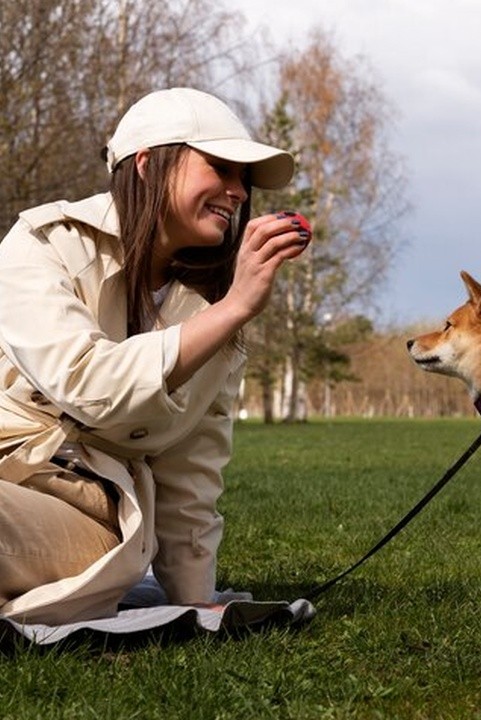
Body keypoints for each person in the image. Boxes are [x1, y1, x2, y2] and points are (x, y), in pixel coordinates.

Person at [0, 87, 310, 624]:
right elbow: (85, 379)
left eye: (245, 179)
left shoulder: (216, 311)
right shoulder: (43, 244)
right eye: (221, 168)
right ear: (147, 164)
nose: (238, 192)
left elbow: (192, 465)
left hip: (88, 509)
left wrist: (192, 597)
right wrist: (232, 307)